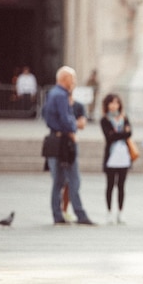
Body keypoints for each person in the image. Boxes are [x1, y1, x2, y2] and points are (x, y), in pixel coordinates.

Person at [42, 66, 95, 225]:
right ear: (65, 79)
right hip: (65, 142)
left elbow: (45, 114)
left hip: (54, 139)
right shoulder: (61, 95)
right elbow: (66, 120)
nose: (75, 82)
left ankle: (58, 215)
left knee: (58, 181)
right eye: (73, 78)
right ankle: (80, 214)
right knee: (74, 179)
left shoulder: (52, 93)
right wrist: (73, 127)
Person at [100, 94, 133, 224]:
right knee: (110, 185)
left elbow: (129, 133)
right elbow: (110, 137)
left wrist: (117, 134)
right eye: (111, 103)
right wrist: (122, 134)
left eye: (116, 103)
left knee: (121, 185)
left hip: (123, 155)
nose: (114, 106)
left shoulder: (124, 118)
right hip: (111, 156)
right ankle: (109, 211)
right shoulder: (105, 120)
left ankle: (120, 211)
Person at [61, 100, 87, 221]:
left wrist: (70, 124)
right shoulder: (59, 103)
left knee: (73, 181)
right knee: (60, 181)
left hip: (71, 146)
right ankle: (61, 211)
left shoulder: (78, 106)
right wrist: (73, 124)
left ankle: (65, 210)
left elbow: (82, 124)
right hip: (59, 144)